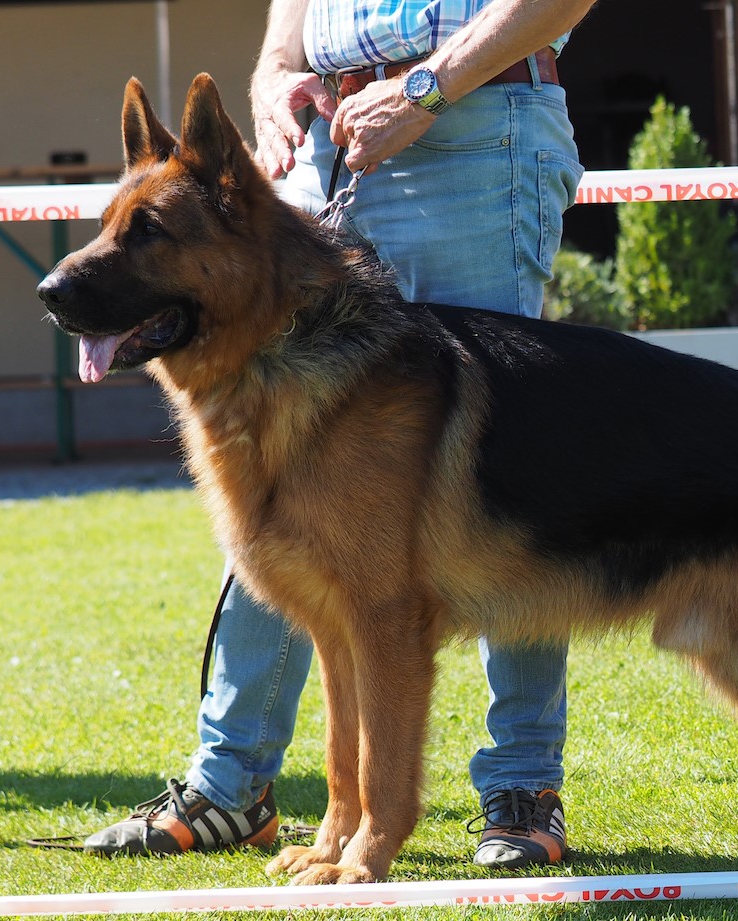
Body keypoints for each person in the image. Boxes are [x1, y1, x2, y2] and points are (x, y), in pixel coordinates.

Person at [83, 0, 592, 869]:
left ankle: (521, 788)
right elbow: (295, 15)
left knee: (503, 477)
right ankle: (231, 784)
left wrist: (426, 88)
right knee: (273, 487)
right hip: (326, 148)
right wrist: (275, 77)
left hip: (474, 130)